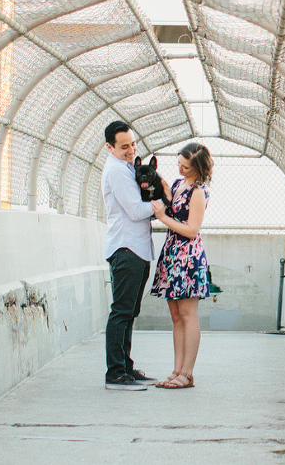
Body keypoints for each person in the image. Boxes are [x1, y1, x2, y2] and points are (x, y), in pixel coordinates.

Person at [101, 120, 166, 391]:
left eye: (133, 144)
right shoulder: (116, 171)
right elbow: (137, 210)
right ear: (110, 147)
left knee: (129, 312)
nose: (130, 150)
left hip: (137, 249)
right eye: (124, 146)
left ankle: (125, 367)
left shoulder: (128, 168)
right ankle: (115, 374)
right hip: (126, 249)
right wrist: (166, 202)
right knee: (121, 311)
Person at [149, 142, 213, 389]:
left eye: (185, 166)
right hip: (172, 254)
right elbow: (174, 211)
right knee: (176, 316)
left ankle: (187, 373)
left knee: (188, 314)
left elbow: (191, 229)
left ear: (196, 167)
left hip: (188, 257)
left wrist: (163, 217)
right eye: (178, 163)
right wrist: (165, 192)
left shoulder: (198, 191)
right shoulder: (178, 185)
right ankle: (177, 370)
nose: (180, 169)